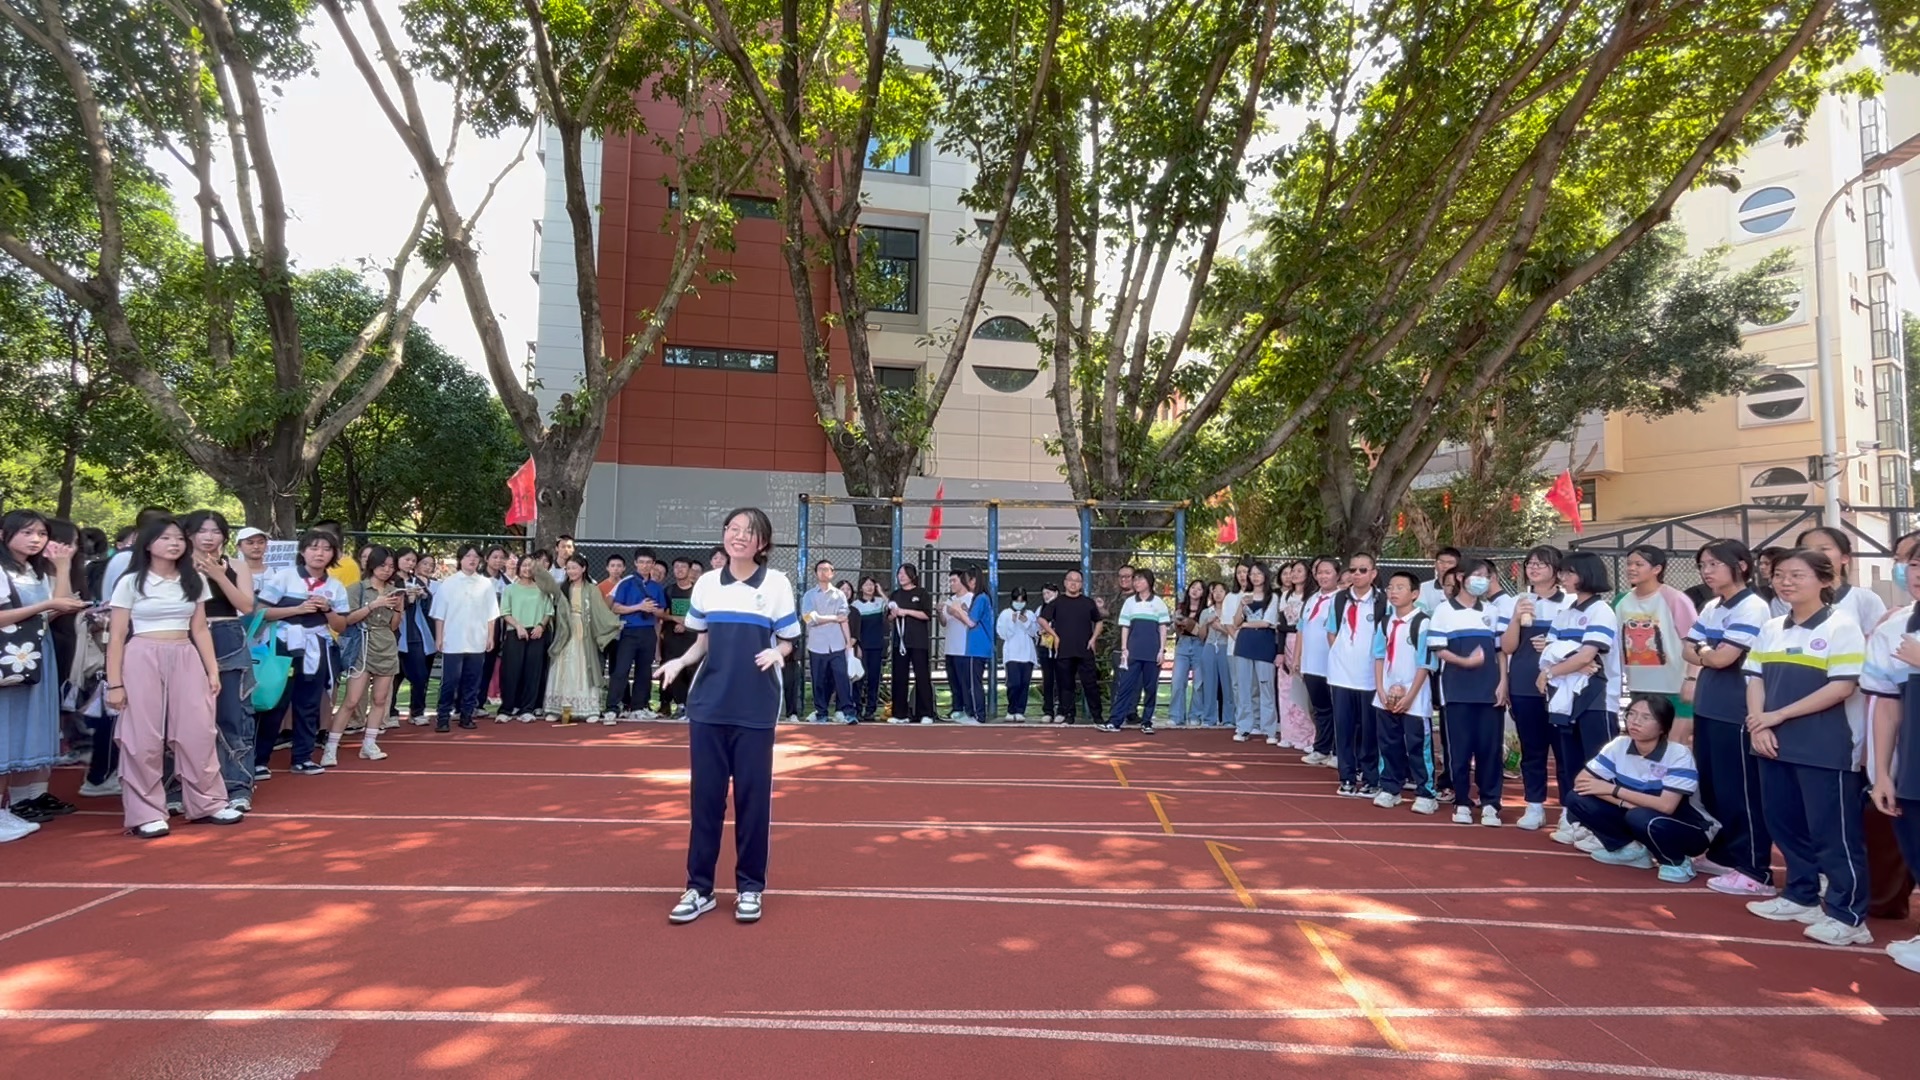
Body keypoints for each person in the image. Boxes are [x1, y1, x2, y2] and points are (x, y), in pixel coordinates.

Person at [656, 507, 800, 925]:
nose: (738, 536)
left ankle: (750, 887)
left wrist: (778, 651)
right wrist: (680, 664)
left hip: (756, 707)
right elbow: (702, 641)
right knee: (705, 800)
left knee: (753, 802)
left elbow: (790, 640)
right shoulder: (705, 584)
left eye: (748, 532)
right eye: (733, 529)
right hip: (708, 706)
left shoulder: (775, 584)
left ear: (762, 543)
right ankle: (699, 888)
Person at [1741, 548, 1871, 947]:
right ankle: (1800, 894)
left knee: (1833, 833)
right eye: (1780, 575)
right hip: (1773, 742)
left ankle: (1849, 915)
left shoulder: (1841, 626)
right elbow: (1754, 677)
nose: (1785, 582)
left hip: (1824, 746)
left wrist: (1776, 717)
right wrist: (1758, 723)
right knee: (1783, 822)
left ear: (1826, 581)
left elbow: (1841, 686)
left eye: (1797, 575)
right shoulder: (1773, 626)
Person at [105, 517, 244, 837]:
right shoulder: (131, 582)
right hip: (142, 656)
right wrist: (115, 683)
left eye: (179, 538)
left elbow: (199, 628)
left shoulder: (193, 579)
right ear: (148, 543)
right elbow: (117, 637)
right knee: (143, 739)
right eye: (166, 538)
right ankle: (146, 812)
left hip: (185, 654)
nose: (174, 543)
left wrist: (212, 670)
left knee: (198, 730)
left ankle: (208, 803)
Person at [1682, 540, 1778, 898]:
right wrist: (1711, 652)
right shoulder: (1711, 605)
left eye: (1714, 564)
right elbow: (1688, 647)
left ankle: (1754, 867)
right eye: (1703, 565)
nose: (1707, 571)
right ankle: (1724, 854)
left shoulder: (1752, 607)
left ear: (1740, 565)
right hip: (1708, 706)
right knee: (1714, 787)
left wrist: (1706, 652)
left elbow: (1722, 658)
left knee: (1741, 791)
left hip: (1736, 710)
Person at [0, 511, 89, 842]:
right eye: (26, 533)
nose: (35, 539)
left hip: (35, 656)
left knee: (26, 727)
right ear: (3, 534)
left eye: (40, 533)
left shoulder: (32, 571)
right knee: (5, 730)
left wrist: (63, 568)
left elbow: (58, 607)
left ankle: (23, 801)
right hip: (10, 658)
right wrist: (44, 606)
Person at [1565, 695, 1716, 882]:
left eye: (1646, 717)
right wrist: (1624, 802)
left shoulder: (1677, 754)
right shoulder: (1619, 745)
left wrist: (1612, 790)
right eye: (1632, 714)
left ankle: (1677, 862)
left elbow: (1666, 806)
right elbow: (1582, 782)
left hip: (1688, 828)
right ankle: (1630, 850)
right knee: (1577, 798)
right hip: (1641, 817)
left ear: (1663, 727)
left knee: (1640, 816)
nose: (1635, 722)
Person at [1864, 536, 1920, 972]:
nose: (1914, 573)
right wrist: (1882, 773)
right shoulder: (1893, 628)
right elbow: (1886, 705)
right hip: (1912, 767)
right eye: (1910, 564)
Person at [177, 510, 257, 810]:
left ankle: (238, 785)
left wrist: (219, 576)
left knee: (232, 714)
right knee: (181, 716)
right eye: (202, 531)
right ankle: (177, 788)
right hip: (182, 636)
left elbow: (246, 606)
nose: (209, 537)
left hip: (227, 634)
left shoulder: (237, 565)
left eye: (216, 531)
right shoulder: (176, 565)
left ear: (224, 536)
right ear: (190, 534)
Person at [1541, 551, 1621, 844]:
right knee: (1571, 760)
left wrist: (1552, 671)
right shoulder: (1566, 612)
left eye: (1568, 572)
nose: (1562, 578)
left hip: (1597, 699)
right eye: (1562, 572)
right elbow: (1549, 650)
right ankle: (1574, 814)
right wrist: (1562, 662)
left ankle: (1603, 827)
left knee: (1598, 764)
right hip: (1567, 698)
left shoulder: (1602, 611)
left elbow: (1588, 655)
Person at [255, 531, 350, 774]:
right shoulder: (284, 577)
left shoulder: (335, 586)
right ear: (303, 551)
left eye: (326, 549)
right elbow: (261, 612)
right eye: (314, 547)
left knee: (308, 703)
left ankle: (303, 757)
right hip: (283, 645)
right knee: (275, 703)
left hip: (317, 646)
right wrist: (297, 608)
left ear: (333, 554)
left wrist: (327, 609)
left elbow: (340, 625)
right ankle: (258, 761)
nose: (320, 553)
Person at [1429, 561, 1507, 826]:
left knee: (1490, 750)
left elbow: (1500, 652)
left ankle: (1490, 804)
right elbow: (1438, 648)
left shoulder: (1493, 611)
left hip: (1489, 692)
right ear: (1461, 577)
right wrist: (1465, 662)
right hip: (1457, 692)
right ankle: (1462, 801)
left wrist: (1503, 682)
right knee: (1459, 751)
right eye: (1477, 575)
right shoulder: (1443, 611)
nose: (1482, 580)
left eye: (1487, 576)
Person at [1502, 545, 1569, 831]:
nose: (1534, 568)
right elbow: (1507, 647)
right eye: (1530, 563)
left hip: (1561, 686)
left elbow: (1582, 648)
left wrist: (1554, 646)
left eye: (1541, 563)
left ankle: (1569, 810)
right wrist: (1517, 618)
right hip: (1524, 685)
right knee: (1532, 749)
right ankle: (1534, 806)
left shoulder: (1571, 603)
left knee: (1565, 751)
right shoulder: (1519, 601)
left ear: (1557, 570)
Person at [326, 546, 405, 761]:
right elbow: (347, 620)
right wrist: (373, 605)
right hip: (362, 644)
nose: (387, 570)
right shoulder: (357, 589)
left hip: (386, 645)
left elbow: (394, 625)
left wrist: (399, 607)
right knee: (351, 700)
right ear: (371, 565)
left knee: (380, 699)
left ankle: (369, 744)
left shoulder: (394, 590)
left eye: (390, 566)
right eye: (382, 566)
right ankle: (331, 746)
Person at [1616, 545, 1699, 740]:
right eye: (1629, 564)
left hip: (1675, 688)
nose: (1631, 568)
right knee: (1645, 747)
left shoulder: (1674, 598)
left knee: (1675, 748)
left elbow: (1694, 641)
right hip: (1639, 686)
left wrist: (1692, 679)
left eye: (1639, 564)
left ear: (1657, 569)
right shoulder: (1621, 601)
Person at [1372, 570, 1436, 813]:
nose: (1393, 592)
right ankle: (1390, 787)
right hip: (1386, 695)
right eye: (1390, 587)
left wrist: (1409, 696)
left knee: (1418, 744)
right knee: (1388, 743)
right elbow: (1378, 657)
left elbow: (1425, 664)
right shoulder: (1386, 622)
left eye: (1400, 587)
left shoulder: (1423, 623)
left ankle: (1425, 792)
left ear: (1415, 593)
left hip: (1415, 697)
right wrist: (1381, 689)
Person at [1327, 553, 1386, 797]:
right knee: (1344, 728)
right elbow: (1332, 631)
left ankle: (1371, 777)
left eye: (1363, 570)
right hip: (1341, 675)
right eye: (1353, 570)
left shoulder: (1383, 601)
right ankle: (1347, 777)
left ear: (1373, 573)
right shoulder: (1339, 598)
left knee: (1370, 729)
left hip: (1370, 676)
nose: (1358, 574)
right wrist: (1342, 654)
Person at [430, 544, 500, 732]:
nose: (472, 560)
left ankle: (467, 715)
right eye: (468, 556)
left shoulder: (486, 584)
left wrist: (490, 637)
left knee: (472, 681)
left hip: (477, 640)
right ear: (460, 559)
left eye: (475, 557)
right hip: (453, 640)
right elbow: (439, 614)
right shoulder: (449, 583)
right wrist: (439, 637)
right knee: (450, 681)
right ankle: (443, 716)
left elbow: (491, 615)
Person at [547, 554, 622, 722]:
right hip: (565, 633)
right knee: (563, 669)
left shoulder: (592, 589)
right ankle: (559, 710)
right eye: (569, 568)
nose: (571, 571)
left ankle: (589, 710)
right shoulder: (562, 588)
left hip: (585, 635)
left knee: (583, 669)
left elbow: (600, 612)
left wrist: (615, 623)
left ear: (583, 568)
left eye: (575, 567)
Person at [1104, 568, 1168, 735]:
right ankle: (1115, 721)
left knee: (1150, 688)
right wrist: (1125, 649)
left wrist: (1161, 650)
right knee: (1125, 686)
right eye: (1135, 579)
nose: (1136, 582)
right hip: (1133, 653)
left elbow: (1162, 629)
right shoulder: (1129, 602)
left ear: (1149, 582)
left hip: (1152, 653)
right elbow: (1125, 627)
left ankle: (1147, 721)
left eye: (1140, 579)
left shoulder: (1159, 603)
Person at [607, 548, 668, 720]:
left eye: (648, 562)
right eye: (641, 562)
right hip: (628, 631)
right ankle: (612, 706)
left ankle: (639, 706)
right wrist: (639, 607)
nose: (644, 566)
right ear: (635, 563)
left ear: (653, 564)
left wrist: (652, 609)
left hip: (648, 632)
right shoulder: (626, 583)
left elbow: (661, 611)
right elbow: (616, 607)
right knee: (621, 669)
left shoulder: (656, 587)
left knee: (644, 671)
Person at [1038, 570, 1103, 726]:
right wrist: (1055, 636)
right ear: (1065, 583)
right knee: (1066, 685)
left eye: (1077, 581)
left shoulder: (1088, 602)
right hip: (1064, 650)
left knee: (1091, 684)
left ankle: (1097, 717)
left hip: (1084, 650)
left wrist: (1094, 638)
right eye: (1070, 580)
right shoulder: (1057, 602)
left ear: (1081, 584)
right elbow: (1042, 620)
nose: (1073, 583)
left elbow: (1099, 621)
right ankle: (1069, 715)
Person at [498, 556, 555, 722]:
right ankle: (507, 708)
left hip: (536, 633)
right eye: (524, 565)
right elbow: (505, 612)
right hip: (515, 632)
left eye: (531, 566)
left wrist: (540, 626)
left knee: (533, 672)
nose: (527, 569)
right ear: (519, 568)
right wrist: (518, 626)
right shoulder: (510, 589)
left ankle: (527, 709)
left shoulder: (542, 590)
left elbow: (548, 612)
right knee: (511, 671)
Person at [1230, 563, 1280, 744]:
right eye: (1252, 574)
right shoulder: (1245, 596)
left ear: (1265, 575)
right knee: (1243, 687)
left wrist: (1245, 624)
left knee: (1266, 686)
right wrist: (1241, 606)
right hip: (1244, 644)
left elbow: (1267, 622)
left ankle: (1270, 729)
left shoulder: (1272, 597)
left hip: (1264, 644)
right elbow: (1236, 622)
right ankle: (1243, 727)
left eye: (1258, 573)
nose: (1255, 577)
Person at [802, 560, 856, 724]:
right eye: (820, 569)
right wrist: (833, 618)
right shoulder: (809, 595)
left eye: (827, 569)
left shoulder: (839, 595)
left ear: (832, 573)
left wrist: (848, 643)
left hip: (837, 644)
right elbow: (809, 618)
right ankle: (821, 712)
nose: (823, 572)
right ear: (816, 573)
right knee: (818, 680)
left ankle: (848, 713)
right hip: (816, 645)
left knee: (842, 680)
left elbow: (844, 617)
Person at [887, 564, 936, 723]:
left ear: (912, 575)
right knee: (899, 677)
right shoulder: (895, 594)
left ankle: (926, 713)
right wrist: (894, 615)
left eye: (904, 573)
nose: (901, 576)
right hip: (900, 643)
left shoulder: (922, 593)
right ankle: (899, 713)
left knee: (922, 676)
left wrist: (906, 612)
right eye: (899, 573)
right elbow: (889, 617)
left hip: (918, 642)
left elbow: (926, 614)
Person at [394, 550, 437, 724]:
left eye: (413, 560)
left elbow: (429, 606)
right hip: (397, 633)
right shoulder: (391, 581)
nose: (410, 563)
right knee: (395, 675)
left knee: (420, 674)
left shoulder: (416, 582)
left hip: (419, 633)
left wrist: (423, 596)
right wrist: (408, 600)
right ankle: (390, 712)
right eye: (407, 559)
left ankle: (417, 710)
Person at [660, 557, 702, 718]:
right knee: (675, 671)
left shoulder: (697, 592)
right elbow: (661, 614)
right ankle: (681, 705)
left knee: (693, 671)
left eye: (683, 567)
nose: (679, 570)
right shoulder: (668, 591)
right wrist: (673, 619)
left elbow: (703, 615)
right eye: (676, 567)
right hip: (673, 639)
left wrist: (686, 625)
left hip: (693, 639)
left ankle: (694, 705)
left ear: (690, 570)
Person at [1168, 580, 1212, 728]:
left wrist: (1192, 625)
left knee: (1199, 683)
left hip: (1200, 646)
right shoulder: (1181, 608)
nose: (1195, 591)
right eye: (1193, 587)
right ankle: (1176, 716)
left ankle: (1195, 715)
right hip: (1182, 644)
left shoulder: (1206, 610)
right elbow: (1172, 629)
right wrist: (1176, 622)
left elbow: (1204, 634)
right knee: (1177, 681)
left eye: (1199, 589)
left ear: (1203, 593)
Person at [942, 571, 979, 722]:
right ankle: (956, 707)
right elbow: (944, 623)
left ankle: (968, 709)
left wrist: (956, 612)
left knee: (965, 681)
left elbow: (970, 621)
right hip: (950, 646)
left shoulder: (971, 599)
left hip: (963, 646)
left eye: (954, 581)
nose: (951, 584)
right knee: (953, 680)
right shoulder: (950, 600)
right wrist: (941, 612)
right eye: (949, 581)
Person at [997, 587, 1039, 721]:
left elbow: (1034, 632)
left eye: (1022, 600)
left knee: (1024, 683)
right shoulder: (1005, 614)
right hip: (1012, 654)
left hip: (1027, 654)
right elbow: (1003, 634)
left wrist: (1026, 621)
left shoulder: (1031, 614)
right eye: (1017, 600)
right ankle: (1011, 709)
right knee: (1013, 683)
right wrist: (1013, 622)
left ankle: (1020, 710)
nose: (1019, 603)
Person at [852, 576, 888, 722]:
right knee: (859, 679)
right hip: (862, 647)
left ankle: (871, 710)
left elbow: (891, 606)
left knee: (874, 679)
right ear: (861, 588)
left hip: (877, 647)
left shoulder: (880, 603)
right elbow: (854, 628)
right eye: (866, 585)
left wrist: (881, 592)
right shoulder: (855, 605)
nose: (869, 587)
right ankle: (857, 709)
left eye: (872, 585)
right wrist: (857, 646)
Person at [963, 571, 995, 721]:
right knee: (974, 681)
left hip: (977, 647)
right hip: (981, 646)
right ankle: (977, 713)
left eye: (969, 581)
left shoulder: (981, 598)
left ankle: (978, 714)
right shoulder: (984, 598)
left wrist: (957, 610)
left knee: (974, 682)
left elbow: (971, 622)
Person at [1419, 547, 1461, 614]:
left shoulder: (1463, 587)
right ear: (1435, 564)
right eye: (1441, 562)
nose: (1445, 566)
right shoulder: (1423, 587)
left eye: (1450, 563)